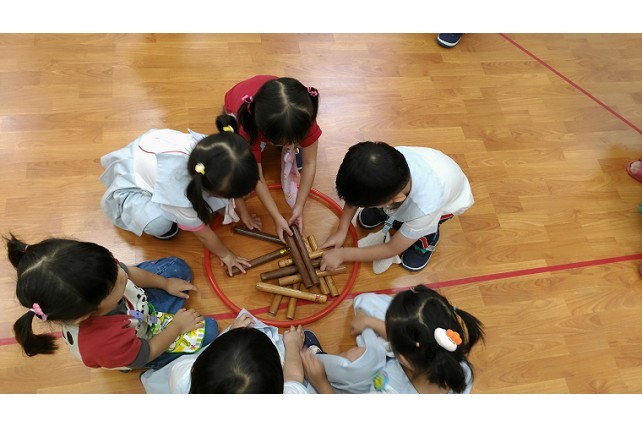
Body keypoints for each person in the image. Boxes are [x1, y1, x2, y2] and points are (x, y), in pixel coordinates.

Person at [5, 234, 218, 371]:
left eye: (114, 267)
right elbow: (146, 352)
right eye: (114, 285)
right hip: (140, 342)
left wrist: (165, 283)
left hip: (138, 311)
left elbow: (127, 273)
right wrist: (176, 327)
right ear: (85, 314)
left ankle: (159, 306)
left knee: (177, 269)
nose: (121, 275)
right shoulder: (103, 344)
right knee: (209, 331)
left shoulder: (100, 274)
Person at [99, 118, 260, 275]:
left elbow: (232, 183)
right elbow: (203, 234)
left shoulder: (218, 152)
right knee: (160, 225)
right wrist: (226, 255)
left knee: (230, 195)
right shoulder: (179, 194)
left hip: (153, 150)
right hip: (135, 180)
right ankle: (154, 212)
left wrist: (244, 213)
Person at [320, 141, 474, 273]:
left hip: (447, 203)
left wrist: (343, 254)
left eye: (365, 204)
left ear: (396, 199)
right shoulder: (383, 162)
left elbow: (391, 249)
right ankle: (385, 210)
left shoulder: (425, 209)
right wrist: (341, 230)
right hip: (430, 170)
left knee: (425, 227)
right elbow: (353, 195)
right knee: (375, 201)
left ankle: (427, 239)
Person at [301, 285, 485, 394]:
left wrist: (321, 382)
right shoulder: (461, 369)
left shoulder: (386, 389)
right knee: (365, 302)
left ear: (402, 357)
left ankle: (316, 359)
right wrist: (369, 321)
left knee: (353, 359)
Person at [223, 75, 322, 241]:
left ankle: (288, 141)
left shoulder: (302, 116)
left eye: (294, 140)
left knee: (298, 146)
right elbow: (257, 178)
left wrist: (299, 206)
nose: (290, 145)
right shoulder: (248, 127)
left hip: (272, 104)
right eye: (284, 142)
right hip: (237, 104)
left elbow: (310, 162)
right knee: (243, 160)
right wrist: (277, 217)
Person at [140, 309, 315, 394]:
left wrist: (231, 333)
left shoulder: (182, 377)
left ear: (196, 370)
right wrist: (292, 346)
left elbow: (208, 359)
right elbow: (293, 378)